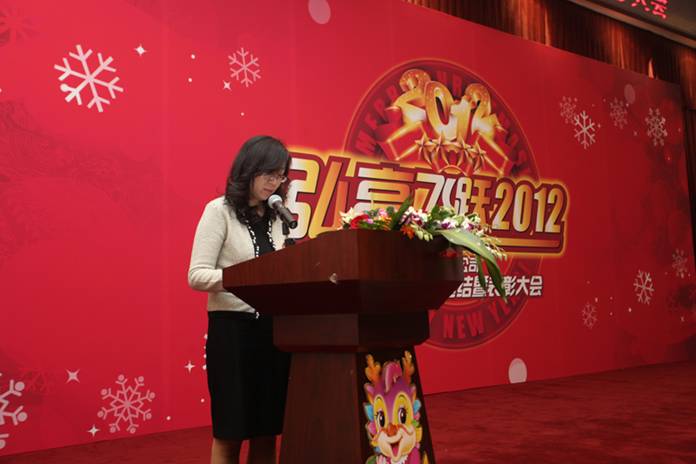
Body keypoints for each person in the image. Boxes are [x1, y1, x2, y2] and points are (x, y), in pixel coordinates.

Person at [188, 135, 292, 464]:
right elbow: (197, 275)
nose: (274, 183)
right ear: (249, 169)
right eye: (269, 174)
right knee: (230, 431)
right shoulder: (218, 211)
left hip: (274, 334)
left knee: (267, 431)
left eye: (280, 176)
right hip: (233, 333)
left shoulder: (277, 215)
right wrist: (244, 279)